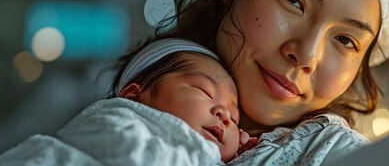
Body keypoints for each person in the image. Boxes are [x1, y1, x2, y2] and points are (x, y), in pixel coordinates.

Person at [157, 0, 389, 165]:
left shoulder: (338, 153)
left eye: (345, 39)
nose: (306, 55)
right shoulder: (129, 108)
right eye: (293, 0)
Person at [54, 38, 253, 165]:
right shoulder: (116, 119)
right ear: (134, 97)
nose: (225, 114)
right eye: (204, 91)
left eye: (235, 119)